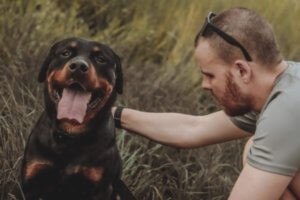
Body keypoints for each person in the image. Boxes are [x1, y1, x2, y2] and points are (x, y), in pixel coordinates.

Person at [112, 7, 300, 200]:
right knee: (257, 150)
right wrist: (115, 115)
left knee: (256, 148)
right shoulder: (283, 86)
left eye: (210, 75)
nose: (204, 85)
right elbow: (194, 128)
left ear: (242, 71)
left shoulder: (287, 111)